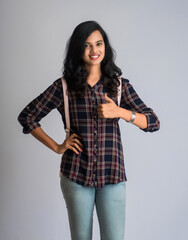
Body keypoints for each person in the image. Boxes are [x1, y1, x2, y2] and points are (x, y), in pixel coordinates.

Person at [18, 20, 160, 240]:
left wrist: (120, 112)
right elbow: (28, 116)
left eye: (99, 43)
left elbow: (152, 122)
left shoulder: (119, 86)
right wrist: (57, 146)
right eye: (87, 45)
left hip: (112, 176)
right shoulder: (64, 86)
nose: (94, 50)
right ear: (78, 49)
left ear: (106, 46)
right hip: (76, 175)